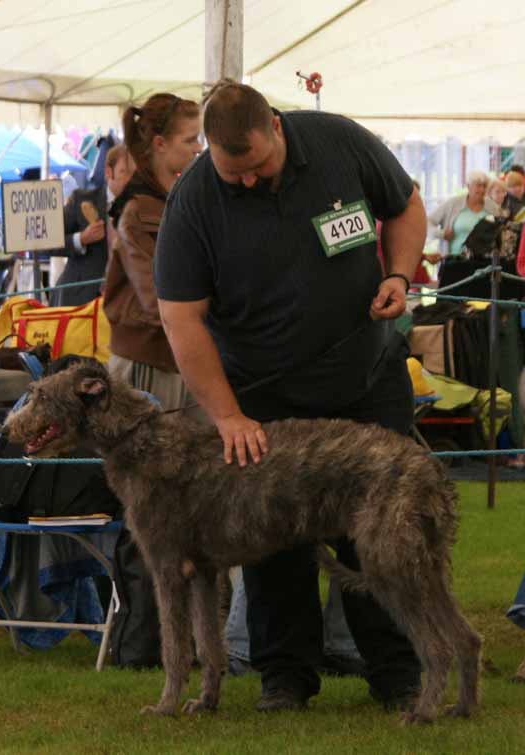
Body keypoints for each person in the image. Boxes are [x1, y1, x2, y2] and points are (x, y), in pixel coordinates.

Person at [154, 80, 427, 712]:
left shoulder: (341, 142)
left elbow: (407, 208)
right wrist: (226, 415)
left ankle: (397, 670)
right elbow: (181, 318)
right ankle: (285, 676)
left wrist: (397, 273)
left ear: (276, 127)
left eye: (256, 168)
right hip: (262, 399)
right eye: (232, 174)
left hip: (366, 380)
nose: (246, 182)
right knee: (269, 536)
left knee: (380, 532)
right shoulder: (194, 203)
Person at [103, 93, 202, 410]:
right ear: (160, 144)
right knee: (151, 458)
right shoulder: (141, 211)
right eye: (189, 140)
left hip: (173, 352)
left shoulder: (166, 202)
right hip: (149, 357)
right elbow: (158, 296)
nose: (198, 148)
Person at [51, 144, 134, 307]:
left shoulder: (140, 208)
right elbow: (51, 241)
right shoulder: (81, 199)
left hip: (124, 300)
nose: (130, 179)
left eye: (134, 173)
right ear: (108, 173)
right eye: (124, 172)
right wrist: (80, 239)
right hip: (80, 297)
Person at [427, 170, 497, 261]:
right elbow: (427, 222)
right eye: (478, 186)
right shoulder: (453, 203)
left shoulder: (493, 207)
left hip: (484, 262)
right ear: (468, 186)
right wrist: (441, 233)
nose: (482, 190)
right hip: (454, 261)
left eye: (484, 186)